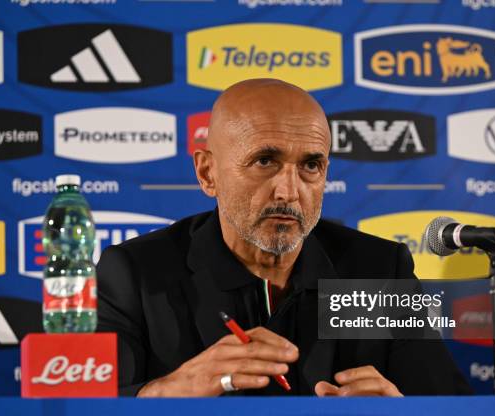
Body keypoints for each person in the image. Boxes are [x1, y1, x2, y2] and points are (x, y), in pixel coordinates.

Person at [97, 78, 472, 397]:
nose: (288, 192)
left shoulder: (375, 271)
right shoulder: (136, 274)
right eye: (265, 161)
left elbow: (449, 414)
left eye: (311, 165)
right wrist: (173, 389)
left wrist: (401, 414)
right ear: (208, 173)